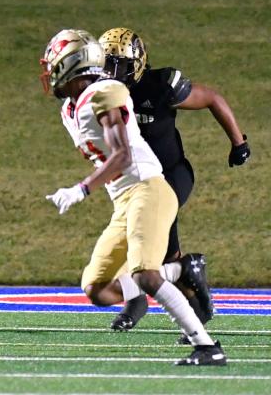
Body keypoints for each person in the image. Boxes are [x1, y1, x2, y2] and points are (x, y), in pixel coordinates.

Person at [40, 28, 226, 366]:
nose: (50, 71)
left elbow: (123, 155)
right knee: (96, 288)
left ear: (72, 64)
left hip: (149, 189)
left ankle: (207, 346)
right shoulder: (71, 107)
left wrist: (81, 189)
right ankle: (181, 270)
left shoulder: (105, 92)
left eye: (54, 63)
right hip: (124, 200)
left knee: (144, 273)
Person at [99, 28, 250, 335]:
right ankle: (196, 296)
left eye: (121, 65)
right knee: (165, 253)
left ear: (138, 64)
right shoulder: (101, 94)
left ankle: (137, 301)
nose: (114, 72)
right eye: (109, 64)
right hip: (136, 180)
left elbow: (212, 98)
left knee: (140, 237)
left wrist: (239, 143)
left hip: (171, 175)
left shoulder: (160, 87)